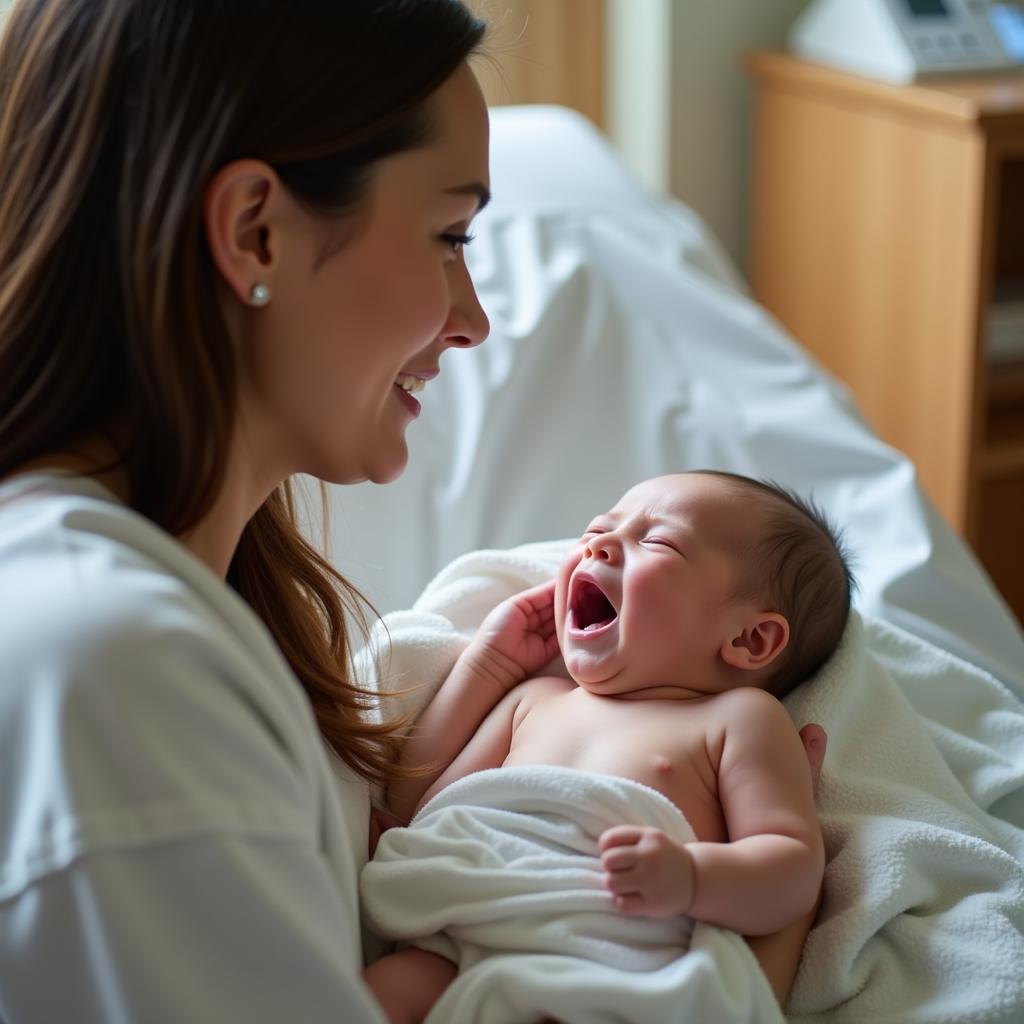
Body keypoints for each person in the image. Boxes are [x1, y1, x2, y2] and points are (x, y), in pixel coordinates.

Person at [0, 2, 827, 1021]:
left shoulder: (175, 619)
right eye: (448, 235)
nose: (474, 318)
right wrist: (761, 963)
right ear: (254, 231)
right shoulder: (124, 677)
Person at [362, 470, 854, 1024]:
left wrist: (693, 879)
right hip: (463, 931)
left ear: (749, 639)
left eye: (657, 540)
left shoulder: (739, 720)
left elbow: (791, 867)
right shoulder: (534, 699)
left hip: (604, 960)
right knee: (368, 996)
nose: (596, 543)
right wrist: (490, 662)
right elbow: (415, 800)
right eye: (600, 527)